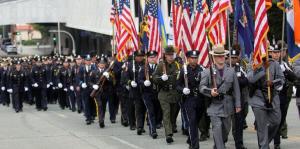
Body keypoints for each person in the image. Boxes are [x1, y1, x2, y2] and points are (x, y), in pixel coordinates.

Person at [200, 45, 241, 149]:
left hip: (228, 104)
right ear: (213, 57)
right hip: (214, 105)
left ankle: (219, 144)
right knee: (217, 128)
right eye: (218, 56)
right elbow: (202, 87)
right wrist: (210, 92)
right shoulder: (207, 72)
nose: (221, 58)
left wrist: (238, 104)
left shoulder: (231, 71)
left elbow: (236, 89)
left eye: (223, 56)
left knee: (226, 130)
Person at [247, 44, 284, 149]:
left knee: (276, 121)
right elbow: (250, 79)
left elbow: (282, 79)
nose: (265, 53)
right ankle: (264, 146)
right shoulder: (253, 64)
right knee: (262, 126)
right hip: (257, 98)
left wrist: (273, 83)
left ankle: (264, 142)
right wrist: (263, 69)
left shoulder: (275, 64)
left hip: (272, 96)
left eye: (267, 51)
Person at [176, 50, 204, 149]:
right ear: (188, 59)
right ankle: (194, 145)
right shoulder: (184, 70)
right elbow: (177, 85)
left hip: (200, 99)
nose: (194, 60)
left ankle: (190, 139)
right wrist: (183, 89)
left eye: (196, 58)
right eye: (192, 58)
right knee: (192, 121)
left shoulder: (202, 69)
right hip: (189, 99)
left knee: (196, 121)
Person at [153, 46, 181, 144]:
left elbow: (181, 77)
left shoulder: (177, 65)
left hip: (174, 93)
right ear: (165, 55)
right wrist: (161, 78)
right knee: (166, 113)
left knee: (173, 114)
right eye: (168, 55)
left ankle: (172, 125)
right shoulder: (161, 65)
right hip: (164, 93)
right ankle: (168, 134)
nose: (170, 57)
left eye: (172, 54)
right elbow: (154, 77)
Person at [228, 46, 248, 149]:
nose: (234, 59)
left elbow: (246, 81)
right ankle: (220, 141)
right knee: (225, 124)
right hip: (226, 99)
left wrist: (237, 80)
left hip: (238, 98)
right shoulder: (225, 67)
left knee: (239, 122)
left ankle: (239, 143)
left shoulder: (239, 67)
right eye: (232, 57)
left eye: (235, 57)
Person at [138, 51, 160, 139]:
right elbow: (139, 80)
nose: (152, 59)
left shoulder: (160, 67)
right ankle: (153, 130)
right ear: (147, 58)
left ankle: (155, 125)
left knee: (157, 111)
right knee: (151, 111)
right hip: (147, 93)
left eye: (154, 57)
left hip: (157, 93)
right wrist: (144, 82)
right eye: (150, 57)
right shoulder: (144, 68)